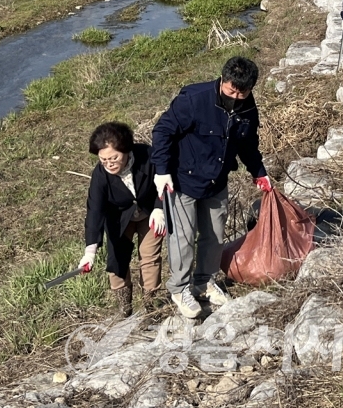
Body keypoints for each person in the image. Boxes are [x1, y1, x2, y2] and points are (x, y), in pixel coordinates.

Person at [151, 56, 272, 319]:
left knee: (215, 236)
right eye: (231, 91)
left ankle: (204, 281)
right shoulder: (194, 99)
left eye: (243, 92)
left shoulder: (248, 109)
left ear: (251, 88)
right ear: (223, 80)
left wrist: (259, 172)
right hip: (183, 180)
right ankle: (180, 288)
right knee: (182, 239)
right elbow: (162, 131)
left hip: (217, 181)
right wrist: (161, 171)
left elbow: (248, 144)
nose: (236, 97)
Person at [78, 122, 166, 317]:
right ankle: (125, 309)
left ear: (126, 150)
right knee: (117, 261)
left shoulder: (148, 156)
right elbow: (95, 211)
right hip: (119, 219)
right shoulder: (100, 176)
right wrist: (90, 251)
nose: (109, 164)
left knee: (150, 257)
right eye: (103, 160)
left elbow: (164, 179)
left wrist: (160, 209)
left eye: (114, 158)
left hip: (149, 213)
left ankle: (151, 309)